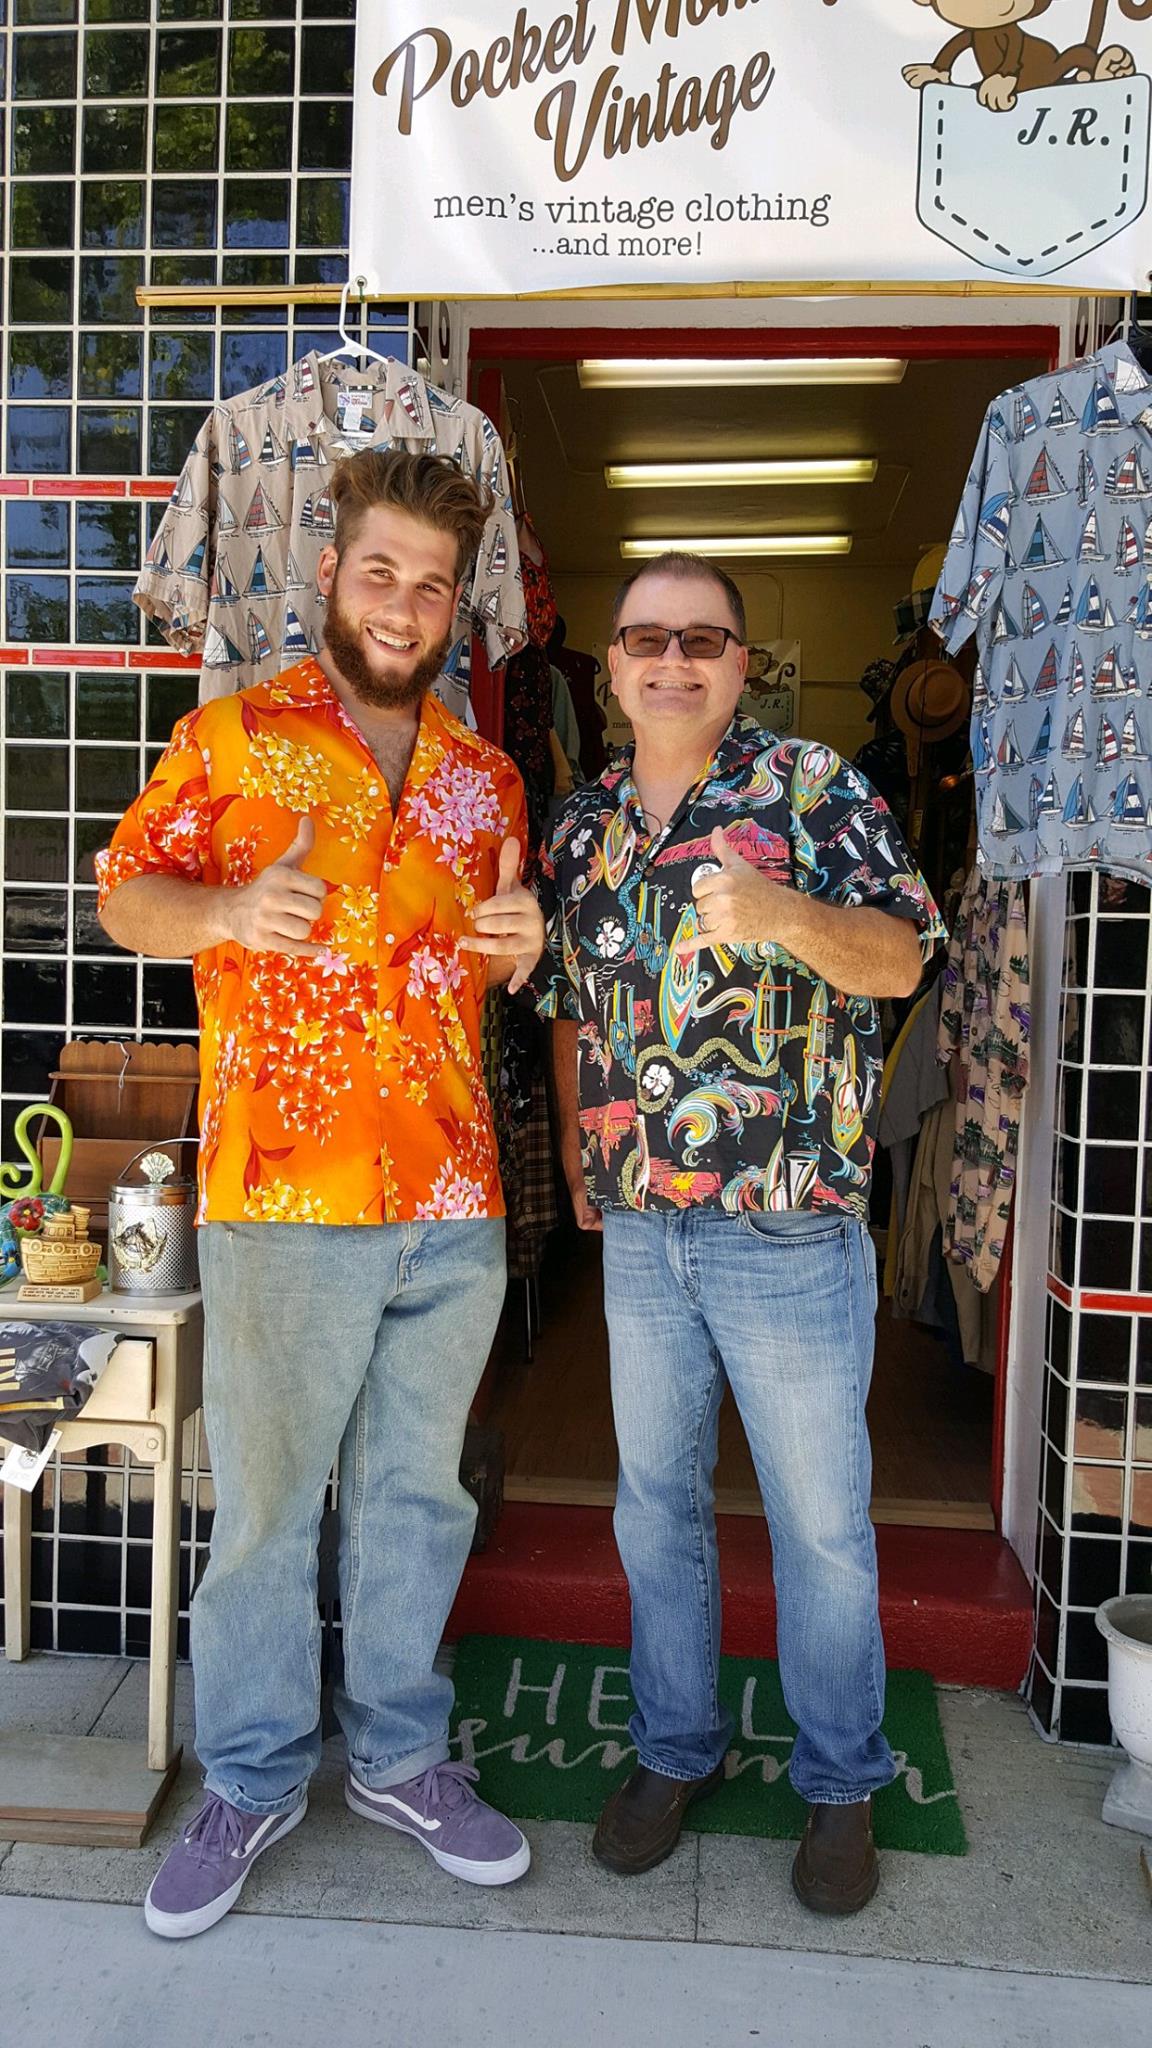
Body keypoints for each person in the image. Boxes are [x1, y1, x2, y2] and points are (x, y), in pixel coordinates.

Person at [98, 449, 545, 1939]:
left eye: (433, 585)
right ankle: (250, 1776)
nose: (404, 607)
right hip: (284, 1200)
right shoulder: (232, 737)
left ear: (456, 604)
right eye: (381, 574)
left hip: (452, 1194)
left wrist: (528, 941)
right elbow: (124, 894)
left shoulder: (488, 776)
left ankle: (403, 1759)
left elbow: (499, 943)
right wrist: (228, 907)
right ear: (330, 576)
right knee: (270, 1510)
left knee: (419, 1497)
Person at [535, 553, 945, 1915]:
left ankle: (842, 1778)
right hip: (642, 1225)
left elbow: (903, 956)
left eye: (702, 638)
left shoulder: (812, 788)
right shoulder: (582, 822)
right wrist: (577, 1152)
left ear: (742, 663)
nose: (673, 659)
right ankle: (676, 1748)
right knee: (655, 1511)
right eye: (647, 637)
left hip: (786, 1225)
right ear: (611, 665)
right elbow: (569, 1002)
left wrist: (781, 915)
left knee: (818, 1524)